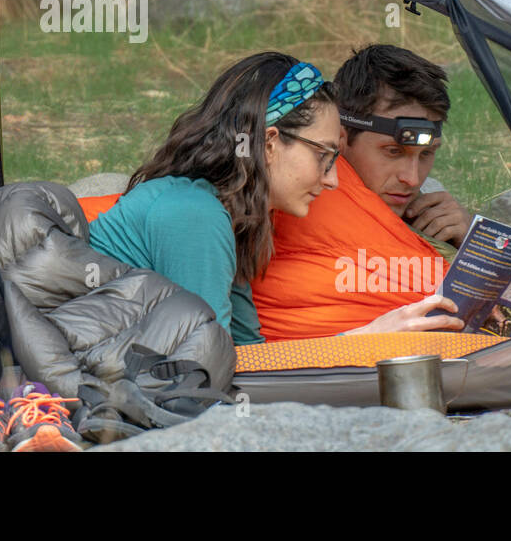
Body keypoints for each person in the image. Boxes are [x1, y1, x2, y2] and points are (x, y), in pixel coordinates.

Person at [85, 50, 461, 346]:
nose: (332, 181)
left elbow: (254, 354)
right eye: (323, 157)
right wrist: (363, 341)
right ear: (269, 144)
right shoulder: (195, 215)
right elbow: (207, 370)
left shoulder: (236, 221)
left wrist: (365, 342)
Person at [251, 44, 470, 340]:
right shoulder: (289, 187)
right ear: (341, 138)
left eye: (427, 154)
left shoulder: (432, 206)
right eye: (393, 151)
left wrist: (471, 244)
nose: (412, 178)